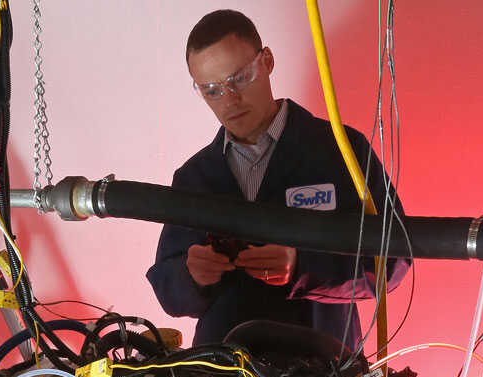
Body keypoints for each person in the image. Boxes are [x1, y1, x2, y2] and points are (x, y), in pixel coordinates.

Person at [146, 9, 411, 350]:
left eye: (239, 79)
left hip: (322, 372)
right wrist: (190, 275)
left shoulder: (342, 151)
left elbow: (393, 260)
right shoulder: (194, 178)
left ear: (267, 61)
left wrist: (302, 265)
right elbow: (169, 291)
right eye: (212, 90)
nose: (230, 100)